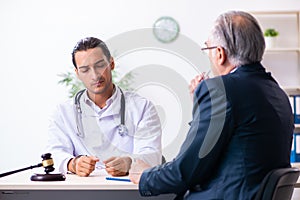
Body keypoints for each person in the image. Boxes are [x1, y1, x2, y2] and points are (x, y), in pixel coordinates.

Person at [129, 11, 294, 199]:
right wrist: (201, 106)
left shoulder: (221, 90)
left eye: (207, 49)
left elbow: (185, 171)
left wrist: (144, 176)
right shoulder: (277, 92)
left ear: (220, 53)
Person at [46, 37, 162, 177]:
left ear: (111, 63)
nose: (94, 75)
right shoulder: (63, 112)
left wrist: (130, 162)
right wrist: (73, 164)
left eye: (100, 65)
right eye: (85, 70)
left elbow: (153, 155)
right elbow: (55, 153)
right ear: (77, 73)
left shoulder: (142, 107)